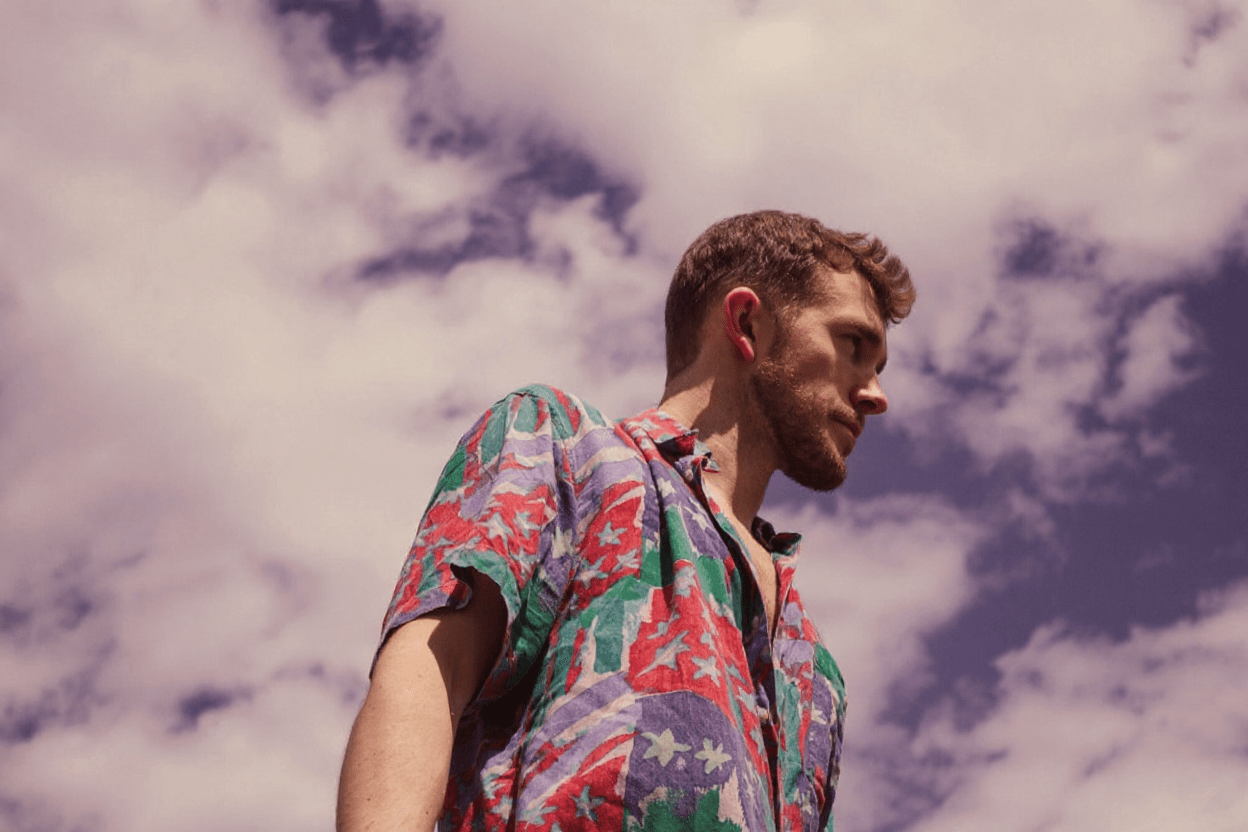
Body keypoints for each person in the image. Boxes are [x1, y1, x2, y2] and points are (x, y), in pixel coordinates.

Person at [337, 210, 915, 832]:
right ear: (747, 323)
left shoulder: (813, 666)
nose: (875, 394)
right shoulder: (563, 448)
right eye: (854, 346)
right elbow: (430, 671)